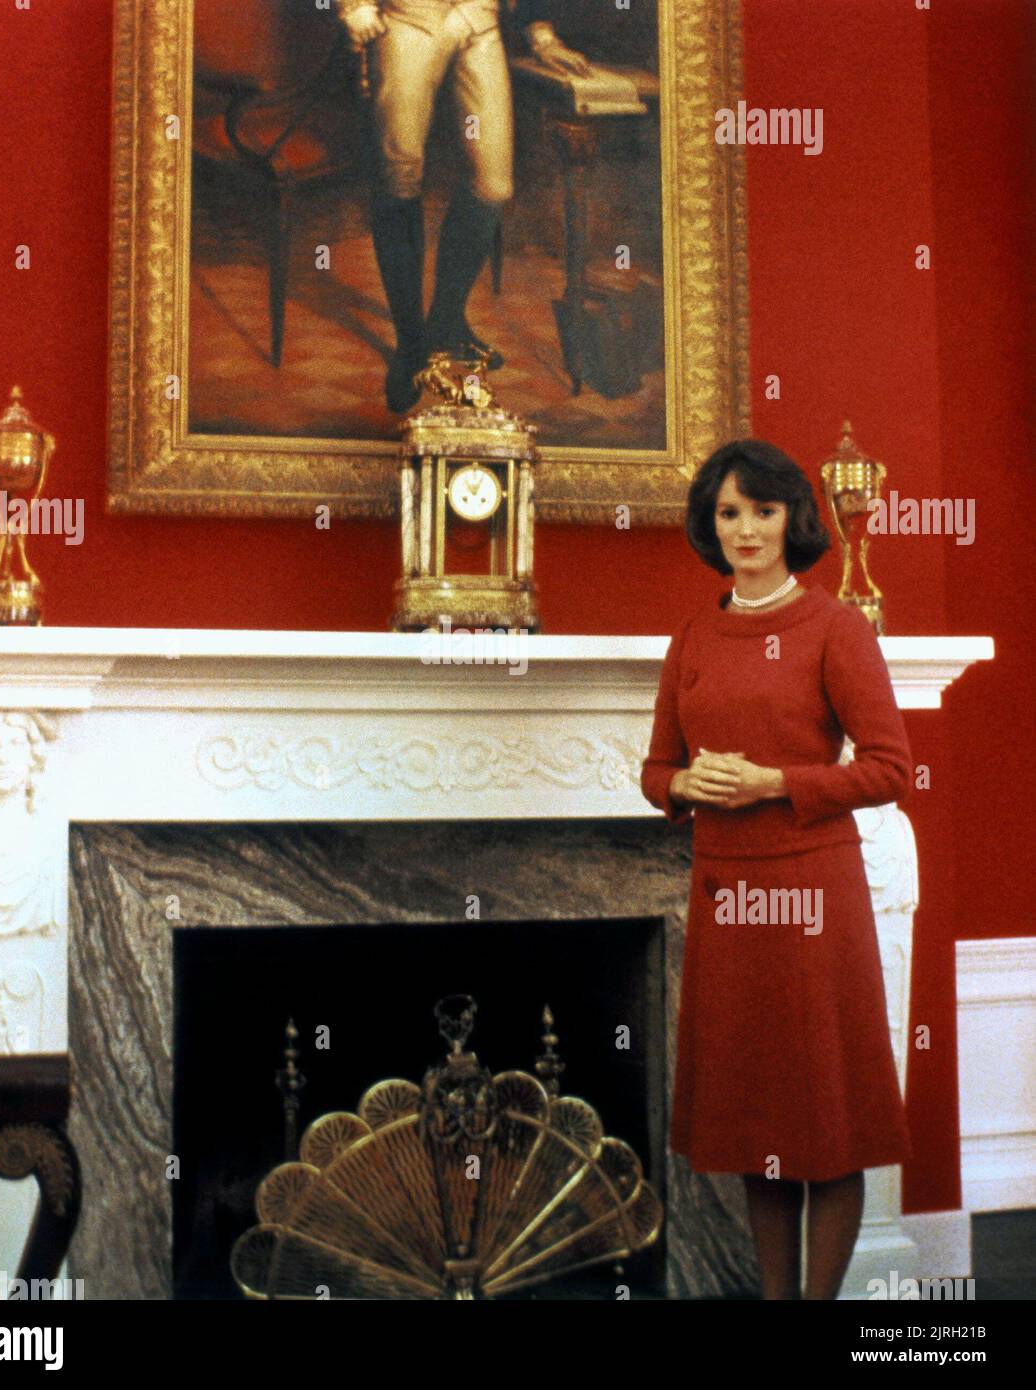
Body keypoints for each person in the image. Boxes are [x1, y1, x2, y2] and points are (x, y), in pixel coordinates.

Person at [640, 438, 914, 1300]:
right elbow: (656, 771)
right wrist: (682, 783)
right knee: (758, 1121)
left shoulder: (835, 627)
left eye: (762, 511)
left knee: (824, 1126)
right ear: (709, 525)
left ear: (793, 518)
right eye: (729, 512)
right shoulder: (693, 632)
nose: (747, 529)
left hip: (813, 899)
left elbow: (890, 768)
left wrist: (775, 783)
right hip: (727, 898)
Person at [335, 0, 591, 411]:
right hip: (408, 19)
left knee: (493, 184)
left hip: (479, 20)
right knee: (399, 174)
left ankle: (446, 319)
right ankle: (410, 343)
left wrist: (541, 35)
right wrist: (354, 6)